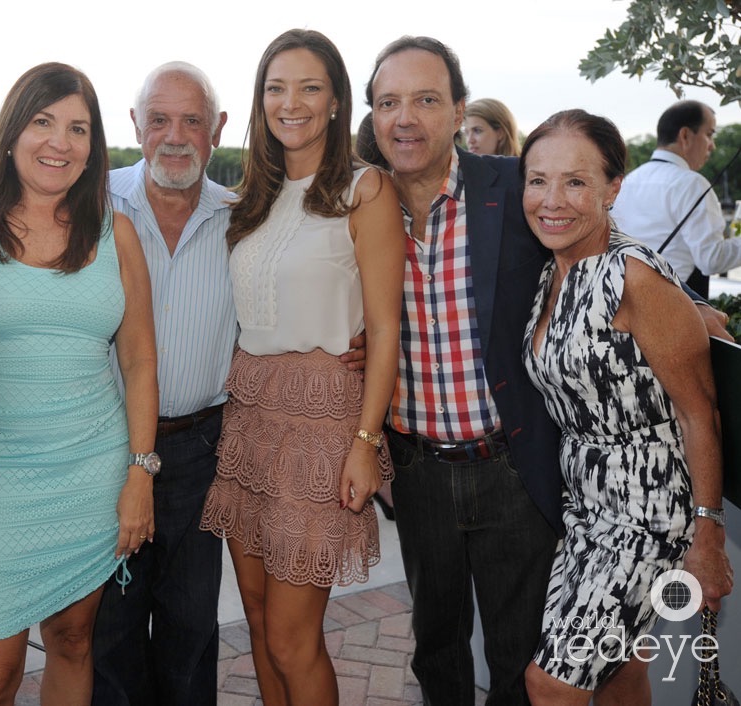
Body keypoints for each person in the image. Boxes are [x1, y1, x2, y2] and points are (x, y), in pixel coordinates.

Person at [364, 36, 731, 706]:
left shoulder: (515, 188)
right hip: (423, 471)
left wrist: (693, 307)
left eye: (425, 99)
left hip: (517, 472)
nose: (406, 117)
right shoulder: (363, 204)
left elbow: (620, 256)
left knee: (528, 664)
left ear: (457, 110)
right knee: (441, 647)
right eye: (389, 102)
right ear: (372, 115)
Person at [0, 62, 158, 706]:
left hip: (94, 468)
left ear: (94, 148)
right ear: (11, 133)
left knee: (74, 641)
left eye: (78, 128)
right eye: (43, 121)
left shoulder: (115, 233)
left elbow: (140, 358)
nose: (60, 141)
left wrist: (140, 471)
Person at [201, 29, 404, 706]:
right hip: (250, 417)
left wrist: (366, 443)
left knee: (293, 636)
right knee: (258, 624)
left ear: (339, 102)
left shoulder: (365, 190)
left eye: (310, 87)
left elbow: (385, 328)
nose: (291, 102)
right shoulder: (248, 201)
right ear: (259, 103)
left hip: (321, 424)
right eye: (275, 87)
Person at [518, 108, 733, 704]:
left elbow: (699, 412)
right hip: (586, 508)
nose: (551, 199)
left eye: (576, 181)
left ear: (615, 187)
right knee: (620, 675)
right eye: (538, 180)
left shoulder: (632, 277)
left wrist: (707, 536)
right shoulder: (556, 268)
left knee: (550, 684)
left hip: (649, 515)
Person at [91, 61, 233, 706]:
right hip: (106, 451)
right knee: (109, 634)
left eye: (192, 121)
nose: (174, 136)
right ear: (134, 125)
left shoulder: (242, 220)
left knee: (192, 629)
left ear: (218, 130)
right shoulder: (90, 205)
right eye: (159, 119)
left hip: (202, 450)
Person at [611, 100, 736, 298]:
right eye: (709, 134)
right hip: (672, 304)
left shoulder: (628, 182)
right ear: (685, 135)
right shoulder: (692, 183)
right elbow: (712, 260)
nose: (712, 145)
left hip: (622, 299)